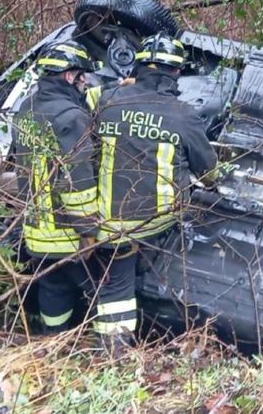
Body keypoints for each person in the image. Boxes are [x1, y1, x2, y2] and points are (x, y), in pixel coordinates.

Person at [93, 33, 220, 353]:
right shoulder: (183, 114)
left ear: (137, 66)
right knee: (121, 285)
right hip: (160, 221)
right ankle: (115, 352)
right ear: (176, 72)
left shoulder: (108, 100)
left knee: (115, 283)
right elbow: (208, 171)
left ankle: (113, 350)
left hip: (110, 218)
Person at [11, 40, 100, 334]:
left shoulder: (24, 109)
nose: (84, 81)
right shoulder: (72, 118)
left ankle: (53, 341)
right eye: (81, 75)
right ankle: (98, 343)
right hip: (68, 233)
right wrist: (88, 232)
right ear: (67, 76)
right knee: (102, 286)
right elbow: (79, 184)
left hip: (37, 233)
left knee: (53, 287)